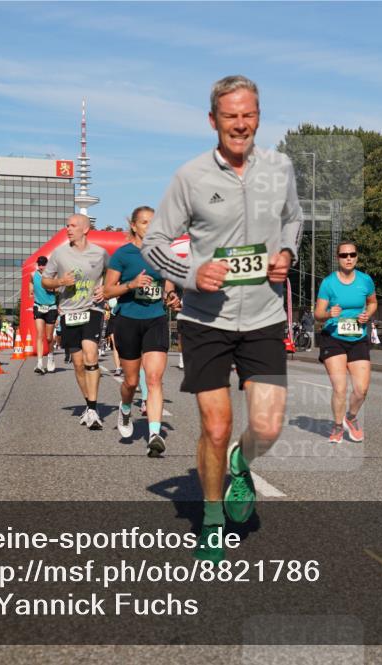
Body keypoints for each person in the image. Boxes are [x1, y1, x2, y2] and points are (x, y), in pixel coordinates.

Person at [143, 75, 302, 561]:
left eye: (248, 114)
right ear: (213, 120)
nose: (240, 124)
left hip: (264, 316)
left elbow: (293, 218)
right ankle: (212, 517)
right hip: (206, 321)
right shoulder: (189, 177)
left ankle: (241, 460)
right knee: (215, 425)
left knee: (269, 426)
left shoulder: (281, 167)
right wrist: (192, 272)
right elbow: (153, 244)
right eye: (230, 116)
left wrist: (287, 254)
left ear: (259, 116)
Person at [103, 205, 181, 457]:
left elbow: (167, 281)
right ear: (134, 226)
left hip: (155, 319)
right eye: (145, 222)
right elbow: (107, 290)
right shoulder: (122, 255)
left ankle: (154, 434)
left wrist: (171, 295)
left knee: (154, 378)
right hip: (128, 321)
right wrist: (131, 284)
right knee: (131, 381)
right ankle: (125, 408)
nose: (150, 227)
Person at [41, 213, 109, 430]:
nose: (68, 229)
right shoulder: (59, 253)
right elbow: (45, 281)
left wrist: (105, 289)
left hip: (92, 309)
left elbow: (113, 274)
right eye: (67, 226)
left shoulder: (100, 253)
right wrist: (61, 281)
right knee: (78, 363)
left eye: (73, 225)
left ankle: (93, 407)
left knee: (91, 353)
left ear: (85, 229)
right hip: (69, 312)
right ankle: (89, 405)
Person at [315, 241, 377, 444]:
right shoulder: (328, 283)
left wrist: (367, 314)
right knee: (340, 387)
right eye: (343, 255)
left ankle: (350, 417)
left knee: (361, 389)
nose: (348, 258)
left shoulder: (365, 280)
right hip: (333, 338)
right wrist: (328, 313)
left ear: (357, 257)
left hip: (358, 337)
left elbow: (373, 302)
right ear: (338, 258)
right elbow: (318, 314)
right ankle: (337, 426)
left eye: (352, 254)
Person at [30, 256, 58, 375]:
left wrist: (52, 288)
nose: (41, 267)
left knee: (48, 337)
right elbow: (31, 283)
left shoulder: (53, 275)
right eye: (39, 264)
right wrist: (31, 290)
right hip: (38, 306)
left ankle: (50, 356)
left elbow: (58, 289)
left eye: (43, 264)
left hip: (51, 307)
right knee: (40, 335)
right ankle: (40, 363)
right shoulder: (33, 274)